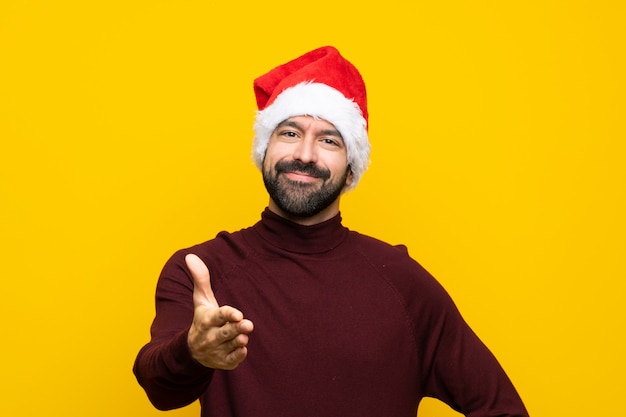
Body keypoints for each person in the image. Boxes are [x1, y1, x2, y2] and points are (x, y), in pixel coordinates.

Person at [133, 46, 529, 417]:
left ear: (351, 167)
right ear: (263, 151)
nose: (304, 155)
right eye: (289, 133)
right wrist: (192, 352)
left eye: (328, 140)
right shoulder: (202, 270)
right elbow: (159, 390)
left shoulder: (403, 283)